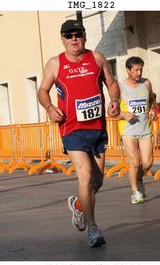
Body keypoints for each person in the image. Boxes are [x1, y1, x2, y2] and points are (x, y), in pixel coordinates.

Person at [37, 20, 120, 247]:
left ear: (84, 36)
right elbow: (42, 90)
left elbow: (112, 84)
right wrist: (50, 108)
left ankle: (79, 205)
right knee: (85, 175)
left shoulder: (97, 58)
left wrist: (114, 100)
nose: (74, 39)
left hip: (97, 129)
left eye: (78, 34)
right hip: (71, 129)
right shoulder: (55, 64)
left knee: (98, 180)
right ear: (62, 39)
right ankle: (92, 228)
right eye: (69, 35)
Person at [118, 56, 156, 204]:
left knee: (147, 163)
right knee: (135, 161)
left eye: (141, 69)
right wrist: (123, 114)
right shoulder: (120, 87)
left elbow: (152, 98)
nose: (139, 73)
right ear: (128, 70)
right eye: (136, 70)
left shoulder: (146, 84)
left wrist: (152, 108)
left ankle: (138, 178)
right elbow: (111, 110)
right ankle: (135, 192)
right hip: (128, 129)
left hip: (145, 128)